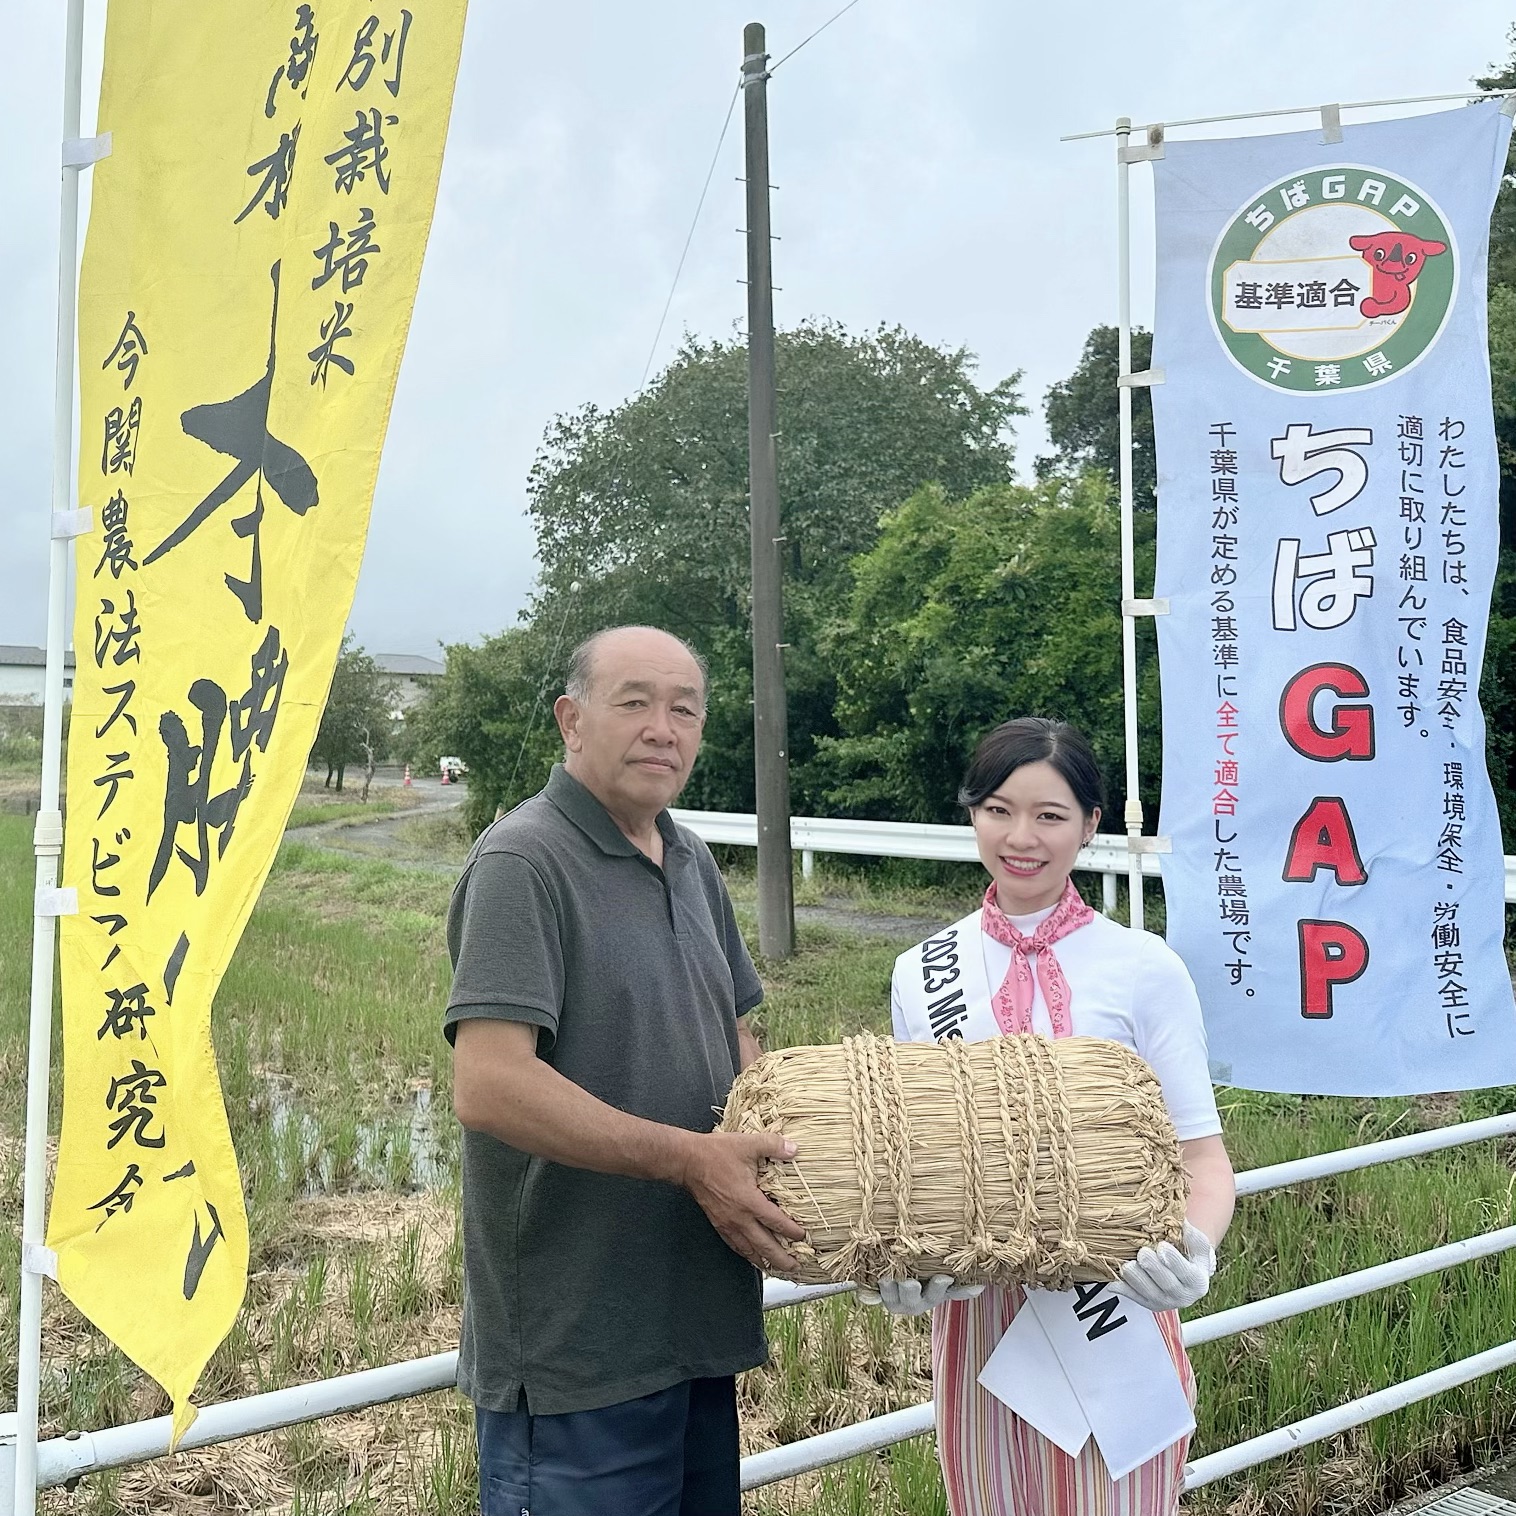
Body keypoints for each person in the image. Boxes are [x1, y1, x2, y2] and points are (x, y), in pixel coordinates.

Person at [444, 625, 804, 1516]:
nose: (663, 728)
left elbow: (736, 1042)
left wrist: (804, 1154)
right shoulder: (524, 862)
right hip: (579, 1353)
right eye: (634, 702)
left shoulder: (689, 859)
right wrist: (690, 1158)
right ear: (572, 720)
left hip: (693, 1325)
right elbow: (490, 1084)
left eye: (684, 710)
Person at [873, 716, 1236, 1516]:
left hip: (1117, 1309)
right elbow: (918, 1163)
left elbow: (1201, 1160)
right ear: (971, 813)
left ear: (1091, 826)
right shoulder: (921, 972)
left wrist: (1195, 1249)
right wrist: (907, 1263)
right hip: (983, 1323)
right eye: (998, 809)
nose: (1020, 837)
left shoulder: (1145, 968)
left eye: (1049, 815)